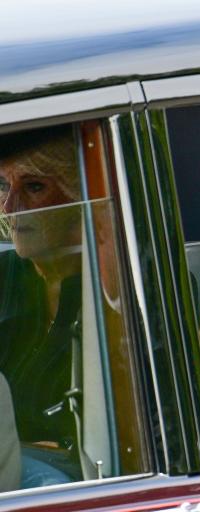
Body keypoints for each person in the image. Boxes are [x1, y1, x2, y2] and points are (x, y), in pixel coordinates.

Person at [0, 125, 83, 482]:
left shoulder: (119, 284)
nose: (9, 206)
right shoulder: (4, 274)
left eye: (33, 187)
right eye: (4, 186)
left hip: (77, 478)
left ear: (77, 196)